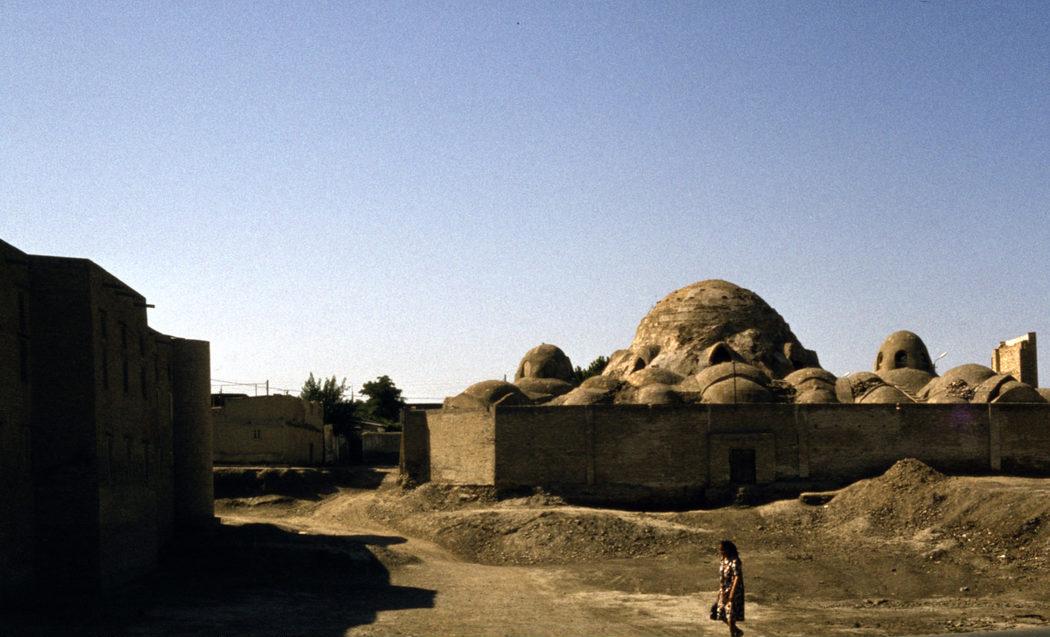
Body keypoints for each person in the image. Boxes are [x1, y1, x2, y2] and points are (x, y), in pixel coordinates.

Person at [715, 539, 745, 637]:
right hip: (724, 590)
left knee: (730, 616)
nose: (721, 551)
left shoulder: (735, 561)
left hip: (734, 590)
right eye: (720, 549)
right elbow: (722, 577)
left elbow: (737, 577)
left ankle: (733, 634)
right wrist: (720, 591)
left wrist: (732, 593)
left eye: (723, 549)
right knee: (721, 613)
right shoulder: (723, 560)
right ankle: (737, 631)